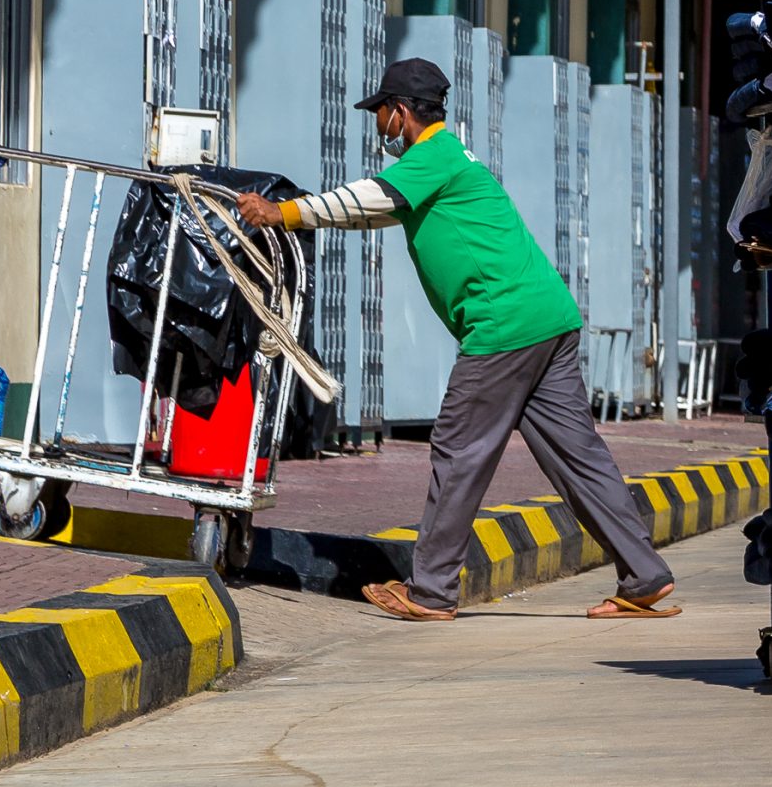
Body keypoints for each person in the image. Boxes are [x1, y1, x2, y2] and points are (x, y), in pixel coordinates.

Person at [232, 56, 679, 624]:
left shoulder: (432, 156)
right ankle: (645, 576)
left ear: (399, 113)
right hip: (547, 317)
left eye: (381, 114)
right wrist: (297, 217)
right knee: (578, 457)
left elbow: (371, 199)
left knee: (458, 447)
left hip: (504, 326)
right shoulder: (445, 162)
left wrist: (283, 213)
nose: (378, 127)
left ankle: (431, 589)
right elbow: (374, 214)